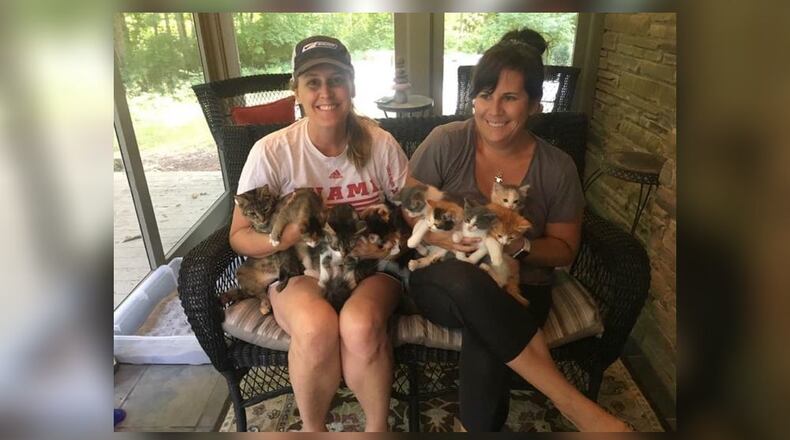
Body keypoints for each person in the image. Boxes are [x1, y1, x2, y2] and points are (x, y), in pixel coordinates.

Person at [405, 29, 633, 432]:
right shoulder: (447, 141)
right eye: (485, 94)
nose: (494, 109)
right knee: (470, 284)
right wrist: (444, 239)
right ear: (473, 99)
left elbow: (565, 249)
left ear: (534, 104)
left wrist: (518, 247)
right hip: (443, 280)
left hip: (520, 284)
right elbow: (410, 206)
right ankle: (573, 404)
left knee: (488, 324)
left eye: (509, 97)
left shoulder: (557, 167)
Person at [229, 35, 408, 432]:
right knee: (315, 328)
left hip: (370, 268)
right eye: (313, 82)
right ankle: (313, 430)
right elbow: (238, 236)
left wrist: (388, 246)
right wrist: (287, 237)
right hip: (299, 270)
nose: (326, 93)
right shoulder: (272, 151)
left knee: (360, 326)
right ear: (296, 91)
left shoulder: (380, 144)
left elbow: (411, 215)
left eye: (336, 80)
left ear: (352, 87)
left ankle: (377, 429)